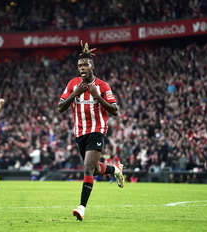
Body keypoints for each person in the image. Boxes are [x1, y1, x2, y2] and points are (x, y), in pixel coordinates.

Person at [58, 41, 124, 221]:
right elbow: (60, 107)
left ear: (92, 66)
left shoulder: (103, 86)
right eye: (79, 65)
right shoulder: (72, 84)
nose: (82, 68)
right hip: (79, 132)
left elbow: (115, 110)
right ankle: (116, 169)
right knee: (93, 169)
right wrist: (75, 94)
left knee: (87, 167)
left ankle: (81, 208)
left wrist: (97, 97)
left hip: (97, 129)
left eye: (85, 64)